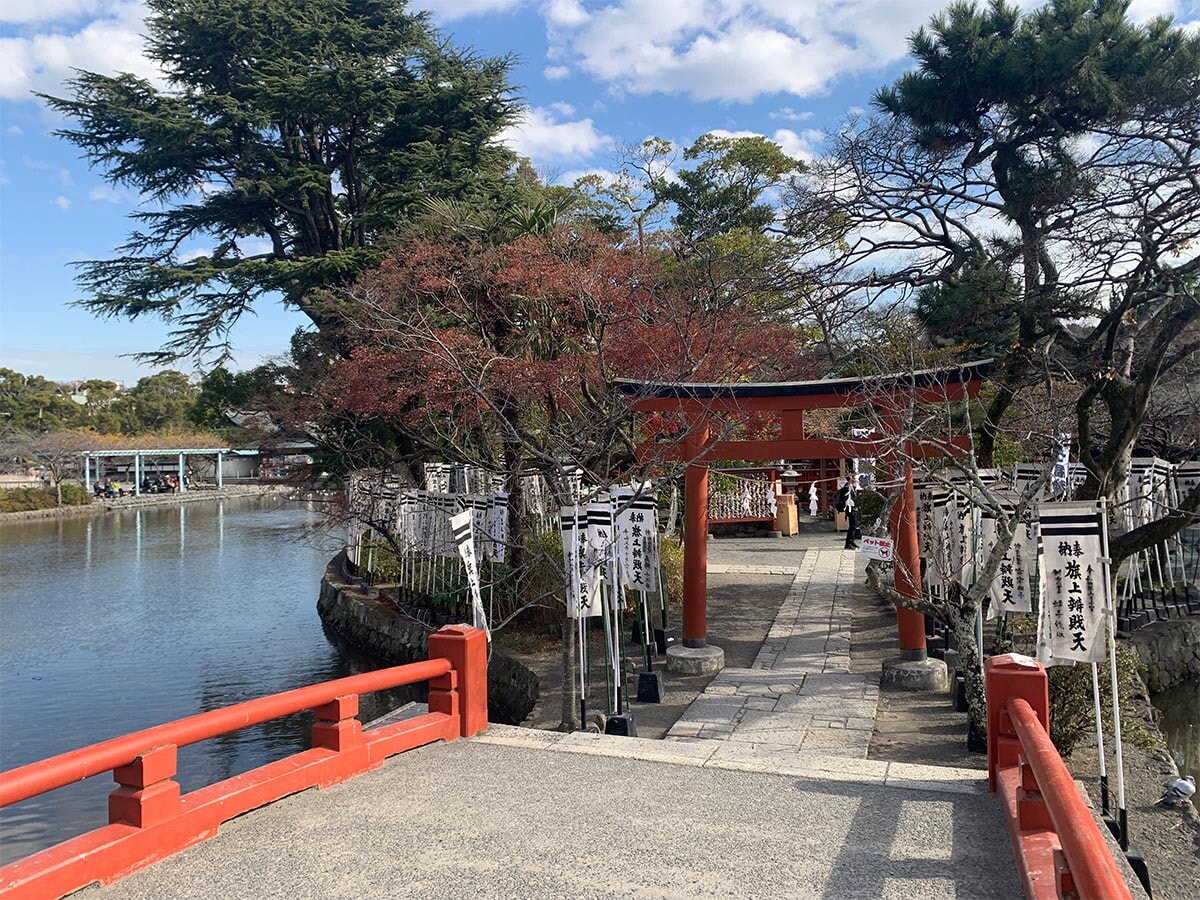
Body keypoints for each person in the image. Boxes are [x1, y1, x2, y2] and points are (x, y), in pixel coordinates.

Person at [835, 476, 859, 550]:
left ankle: (852, 541)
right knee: (853, 526)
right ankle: (849, 543)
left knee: (854, 526)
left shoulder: (851, 488)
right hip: (850, 509)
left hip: (852, 508)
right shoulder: (846, 488)